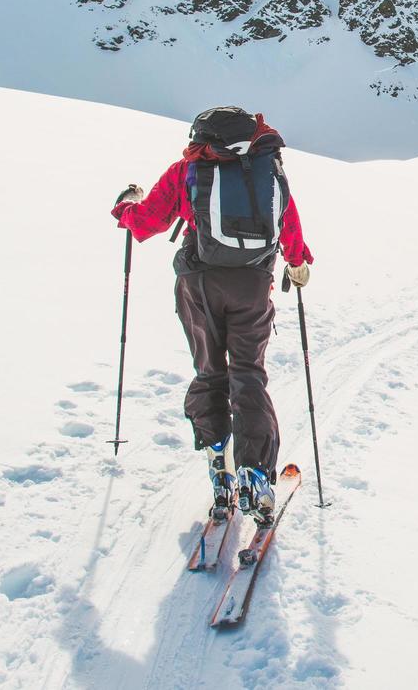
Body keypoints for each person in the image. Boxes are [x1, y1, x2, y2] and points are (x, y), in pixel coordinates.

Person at [111, 106, 313, 524]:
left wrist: (126, 207)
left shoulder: (189, 170)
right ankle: (256, 474)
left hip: (198, 284)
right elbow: (287, 222)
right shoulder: (267, 170)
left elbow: (147, 223)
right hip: (253, 284)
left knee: (209, 371)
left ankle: (218, 461)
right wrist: (298, 261)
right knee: (248, 374)